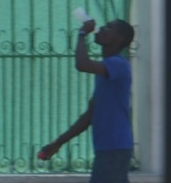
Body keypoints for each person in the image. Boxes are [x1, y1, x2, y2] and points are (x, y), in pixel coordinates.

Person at [37, 17, 136, 182]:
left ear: (119, 39)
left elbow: (82, 64)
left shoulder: (118, 65)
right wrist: (58, 142)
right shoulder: (105, 71)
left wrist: (82, 34)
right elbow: (89, 116)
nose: (102, 29)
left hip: (114, 147)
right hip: (109, 148)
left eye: (109, 28)